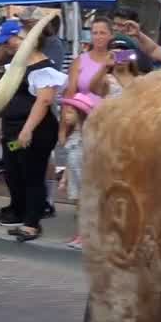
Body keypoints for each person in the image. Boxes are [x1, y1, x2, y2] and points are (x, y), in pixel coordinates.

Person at [0, 19, 65, 241]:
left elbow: (43, 101)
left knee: (32, 173)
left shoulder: (44, 67)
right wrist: (3, 126)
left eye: (10, 41)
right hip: (13, 129)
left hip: (36, 131)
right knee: (13, 171)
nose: (7, 46)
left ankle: (32, 223)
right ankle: (24, 213)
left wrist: (27, 130)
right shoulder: (16, 65)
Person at [57, 92, 99, 250]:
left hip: (86, 177)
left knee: (87, 207)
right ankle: (81, 233)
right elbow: (69, 159)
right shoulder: (72, 135)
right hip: (74, 176)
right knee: (78, 206)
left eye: (69, 112)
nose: (65, 116)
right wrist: (64, 179)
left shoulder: (88, 135)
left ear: (80, 114)